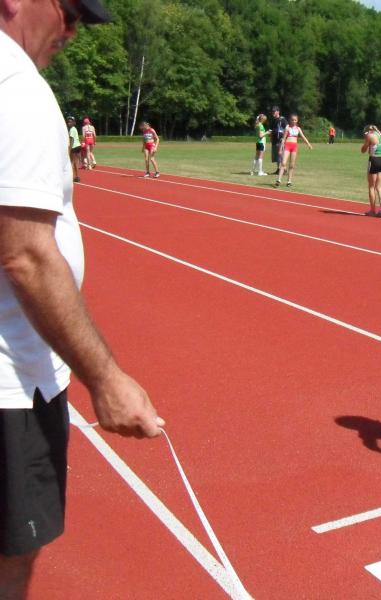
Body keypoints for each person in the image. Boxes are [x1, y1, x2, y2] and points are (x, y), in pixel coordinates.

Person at [0, 2, 164, 597]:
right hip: (10, 384)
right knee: (12, 558)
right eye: (68, 11)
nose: (72, 31)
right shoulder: (16, 86)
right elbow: (25, 254)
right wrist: (107, 379)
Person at [274, 114, 312, 188]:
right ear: (290, 120)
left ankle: (289, 181)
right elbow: (283, 139)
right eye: (292, 120)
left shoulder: (298, 128)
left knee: (291, 165)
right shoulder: (287, 127)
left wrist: (308, 144)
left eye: (295, 120)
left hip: (294, 147)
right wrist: (281, 149)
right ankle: (279, 180)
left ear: (297, 121)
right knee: (283, 163)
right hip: (287, 145)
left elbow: (303, 137)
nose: (293, 121)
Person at [360, 125, 381, 218]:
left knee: (371, 186)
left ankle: (372, 210)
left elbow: (363, 150)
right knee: (379, 187)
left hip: (373, 160)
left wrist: (366, 139)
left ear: (369, 131)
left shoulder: (370, 136)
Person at [268, 106, 288, 175]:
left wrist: (284, 138)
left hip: (281, 140)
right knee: (277, 156)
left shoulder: (282, 119)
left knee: (281, 155)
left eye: (274, 111)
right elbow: (270, 130)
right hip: (274, 140)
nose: (273, 112)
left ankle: (284, 169)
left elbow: (287, 129)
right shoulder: (273, 120)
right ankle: (278, 169)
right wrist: (271, 138)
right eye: (272, 111)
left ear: (278, 112)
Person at [66, 116, 81, 182]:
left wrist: (69, 150)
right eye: (68, 122)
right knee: (75, 163)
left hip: (74, 147)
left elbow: (71, 140)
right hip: (78, 146)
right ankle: (76, 176)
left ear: (73, 123)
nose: (68, 123)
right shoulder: (74, 129)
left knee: (72, 163)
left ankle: (72, 177)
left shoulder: (72, 129)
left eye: (70, 122)